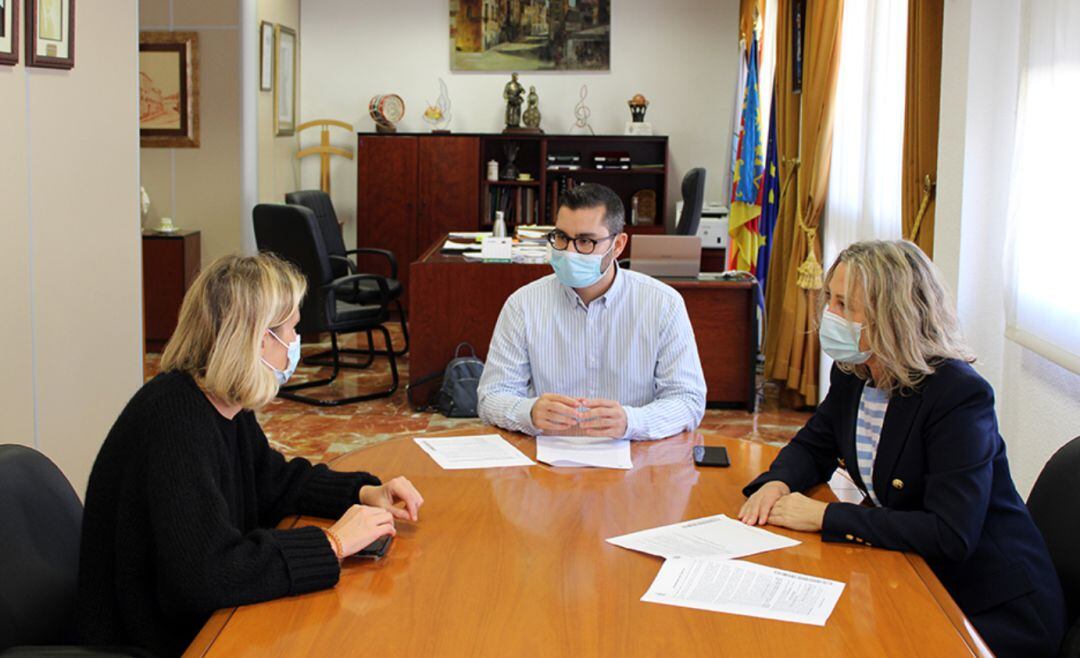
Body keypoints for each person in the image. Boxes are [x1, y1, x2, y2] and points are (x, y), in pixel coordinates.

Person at [77, 254, 424, 657]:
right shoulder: (175, 421)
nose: (296, 343)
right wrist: (331, 544)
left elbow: (273, 482)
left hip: (193, 622)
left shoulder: (220, 402)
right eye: (292, 329)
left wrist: (364, 491)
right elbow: (205, 575)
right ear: (260, 339)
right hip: (159, 638)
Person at [739, 240, 1066, 657]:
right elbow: (814, 444)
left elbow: (950, 534)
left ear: (892, 316)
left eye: (844, 304)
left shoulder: (959, 396)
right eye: (831, 300)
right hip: (914, 573)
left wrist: (826, 515)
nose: (829, 316)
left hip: (989, 607)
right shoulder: (855, 371)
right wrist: (777, 484)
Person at [477, 183, 706, 440]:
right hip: (549, 457)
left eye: (585, 241)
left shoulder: (662, 304)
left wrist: (632, 421)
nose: (569, 252)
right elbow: (491, 396)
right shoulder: (523, 305)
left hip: (634, 455)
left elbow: (688, 399)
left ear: (618, 245)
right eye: (561, 238)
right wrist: (528, 412)